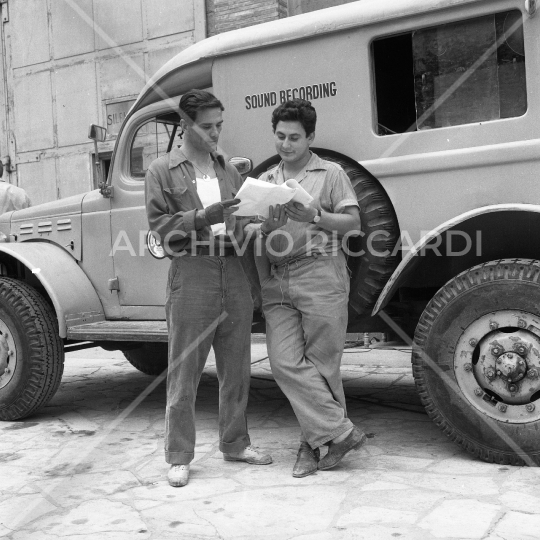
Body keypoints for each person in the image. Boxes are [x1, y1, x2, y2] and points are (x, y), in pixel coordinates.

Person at [145, 89, 272, 488]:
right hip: (193, 270)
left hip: (232, 269)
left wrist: (257, 224)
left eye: (219, 124)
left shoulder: (227, 170)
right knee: (185, 369)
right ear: (185, 125)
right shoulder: (161, 171)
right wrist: (204, 216)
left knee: (237, 368)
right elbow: (159, 226)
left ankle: (235, 443)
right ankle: (179, 455)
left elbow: (238, 225)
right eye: (207, 126)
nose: (216, 132)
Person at [254, 98, 365, 478]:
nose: (286, 144)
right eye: (280, 136)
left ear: (311, 137)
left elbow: (352, 224)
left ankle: (313, 447)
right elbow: (252, 235)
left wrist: (315, 214)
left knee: (322, 366)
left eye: (295, 137)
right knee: (284, 362)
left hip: (322, 271)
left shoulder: (330, 173)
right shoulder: (265, 183)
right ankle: (341, 432)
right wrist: (265, 230)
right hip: (278, 277)